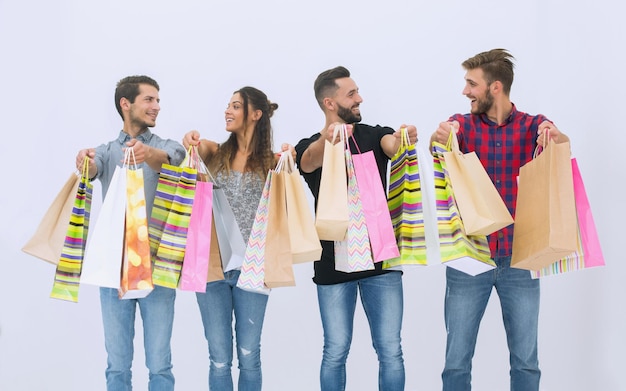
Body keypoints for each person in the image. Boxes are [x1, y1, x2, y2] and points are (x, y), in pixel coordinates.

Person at [430, 49, 570, 391]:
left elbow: (563, 145)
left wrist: (555, 137)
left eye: (471, 84)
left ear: (495, 87)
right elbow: (440, 147)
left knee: (526, 362)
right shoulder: (461, 125)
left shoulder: (533, 124)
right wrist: (439, 139)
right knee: (456, 362)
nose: (465, 91)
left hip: (520, 258)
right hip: (470, 257)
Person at [295, 66, 417, 391]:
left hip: (381, 265)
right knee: (335, 350)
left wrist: (404, 138)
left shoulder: (374, 134)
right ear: (330, 102)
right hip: (333, 268)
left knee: (391, 350)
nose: (360, 98)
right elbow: (307, 161)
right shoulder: (309, 145)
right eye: (351, 94)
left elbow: (393, 145)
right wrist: (331, 137)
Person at [75, 75, 186, 391]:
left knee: (160, 367)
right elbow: (92, 168)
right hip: (114, 270)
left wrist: (147, 155)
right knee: (117, 368)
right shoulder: (107, 151)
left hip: (156, 269)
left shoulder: (164, 145)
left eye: (158, 100)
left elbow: (175, 159)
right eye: (149, 100)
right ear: (126, 104)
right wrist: (85, 161)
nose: (156, 107)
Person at [182, 86, 293, 391]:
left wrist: (290, 163)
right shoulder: (214, 152)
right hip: (212, 267)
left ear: (256, 114)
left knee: (249, 356)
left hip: (254, 269)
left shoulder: (272, 162)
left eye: (235, 106)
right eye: (227, 106)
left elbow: (286, 206)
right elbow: (192, 148)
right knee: (218, 358)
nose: (227, 111)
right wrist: (189, 139)